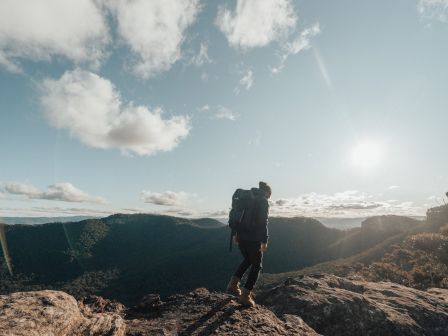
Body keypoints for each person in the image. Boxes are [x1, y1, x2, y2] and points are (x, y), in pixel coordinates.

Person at [226, 181, 271, 307]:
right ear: (267, 193)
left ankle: (233, 285)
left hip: (240, 235)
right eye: (269, 196)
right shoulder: (263, 200)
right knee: (257, 265)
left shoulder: (246, 198)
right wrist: (264, 240)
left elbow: (237, 215)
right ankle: (245, 295)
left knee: (247, 259)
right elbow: (263, 222)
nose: (269, 198)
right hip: (253, 238)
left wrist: (235, 234)